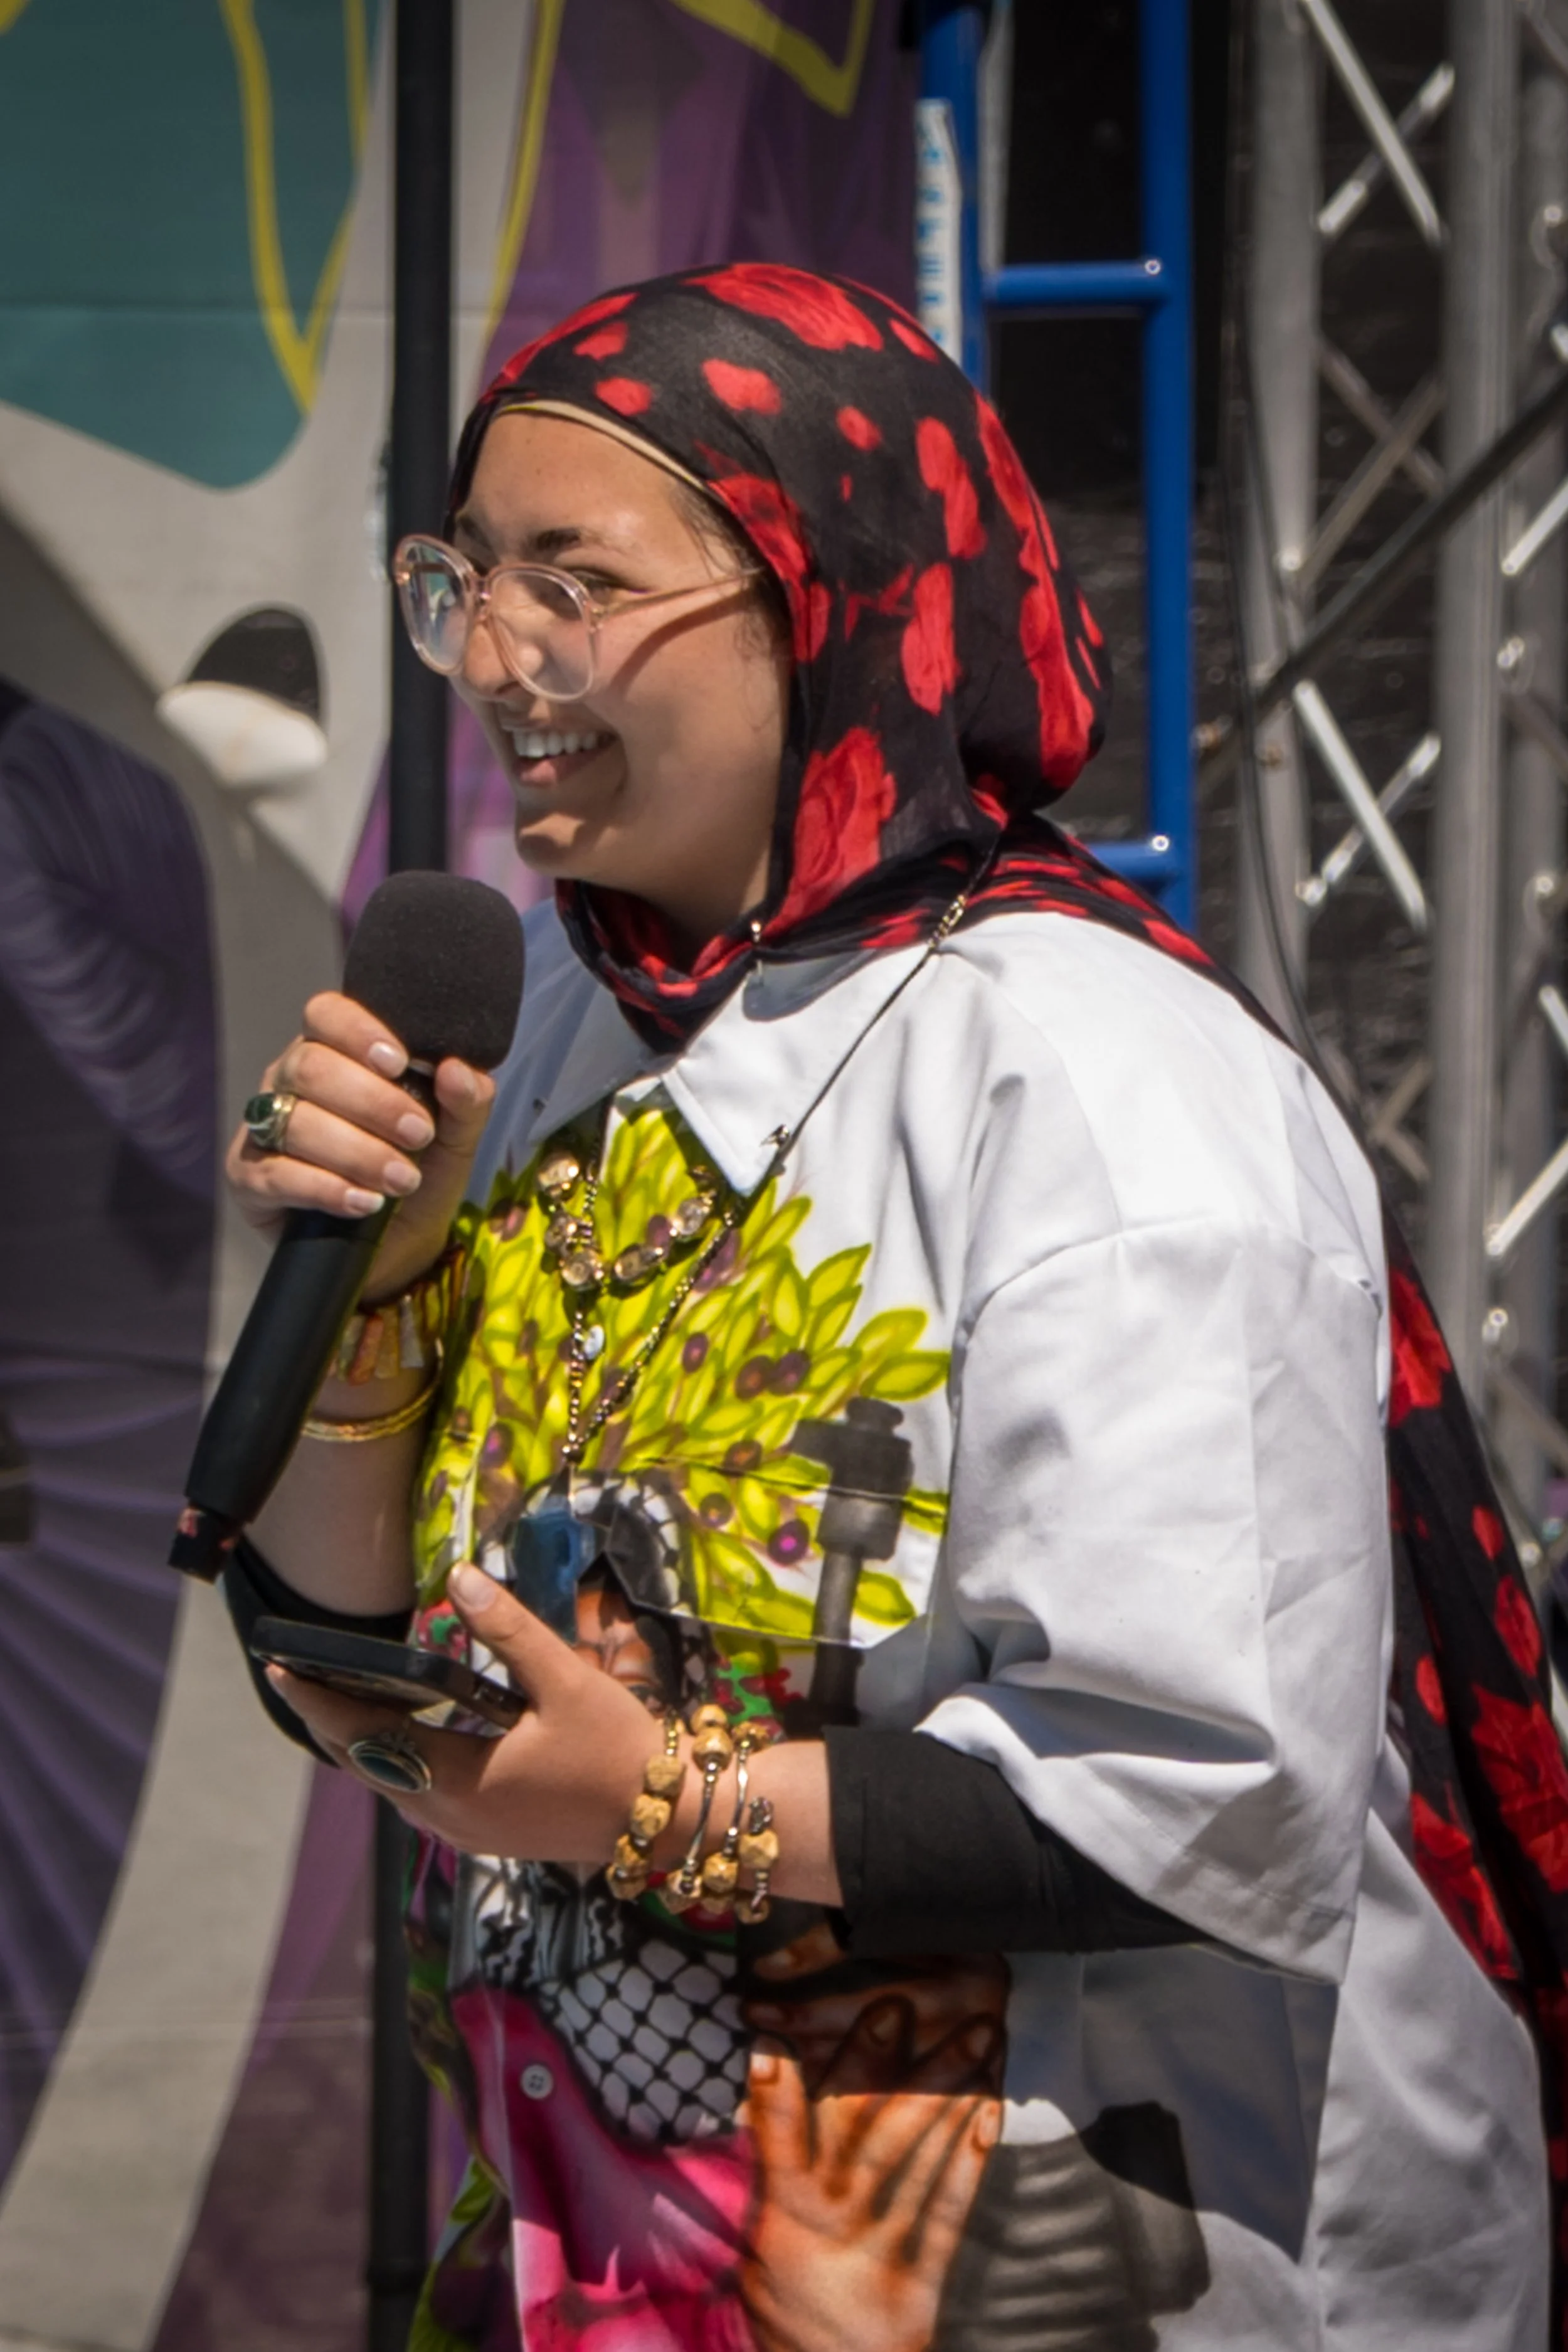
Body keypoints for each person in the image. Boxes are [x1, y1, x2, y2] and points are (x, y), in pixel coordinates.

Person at [225, 264, 1561, 2352]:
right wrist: (372, 1301)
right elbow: (361, 1621)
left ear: (825, 597)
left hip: (1094, 2272)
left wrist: (653, 1802)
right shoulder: (552, 1022)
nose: (492, 656)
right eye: (462, 576)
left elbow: (1200, 1794)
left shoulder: (1098, 1086)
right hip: (638, 2257)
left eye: (575, 580)